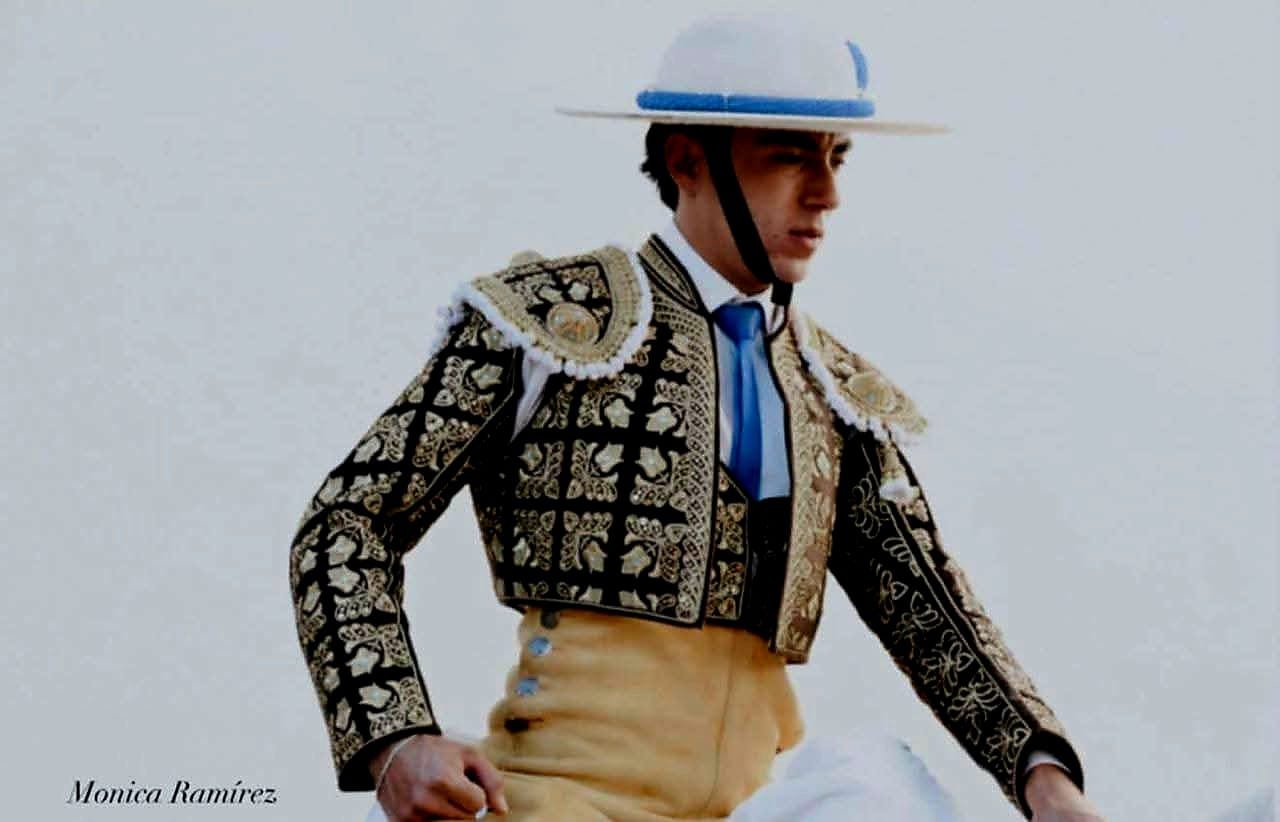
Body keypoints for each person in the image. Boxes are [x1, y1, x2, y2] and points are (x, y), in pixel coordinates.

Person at [288, 15, 1104, 821]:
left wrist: (1046, 782)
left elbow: (933, 612)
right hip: (554, 799)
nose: (826, 194)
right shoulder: (551, 324)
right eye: (789, 156)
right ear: (686, 159)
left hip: (753, 807)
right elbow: (347, 521)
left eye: (836, 157)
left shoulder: (829, 387)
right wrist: (396, 739)